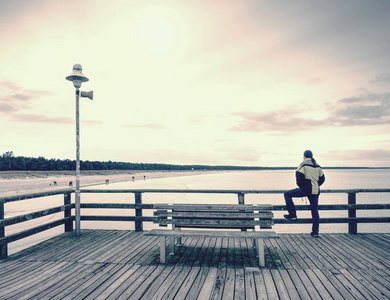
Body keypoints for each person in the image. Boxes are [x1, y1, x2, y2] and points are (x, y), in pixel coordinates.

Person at [284, 150, 325, 237]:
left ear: (304, 156)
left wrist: (302, 187)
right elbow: (322, 179)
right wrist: (316, 185)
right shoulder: (317, 166)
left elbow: (299, 178)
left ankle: (292, 215)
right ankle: (315, 231)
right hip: (315, 190)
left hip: (306, 189)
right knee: (314, 210)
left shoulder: (303, 165)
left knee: (287, 194)